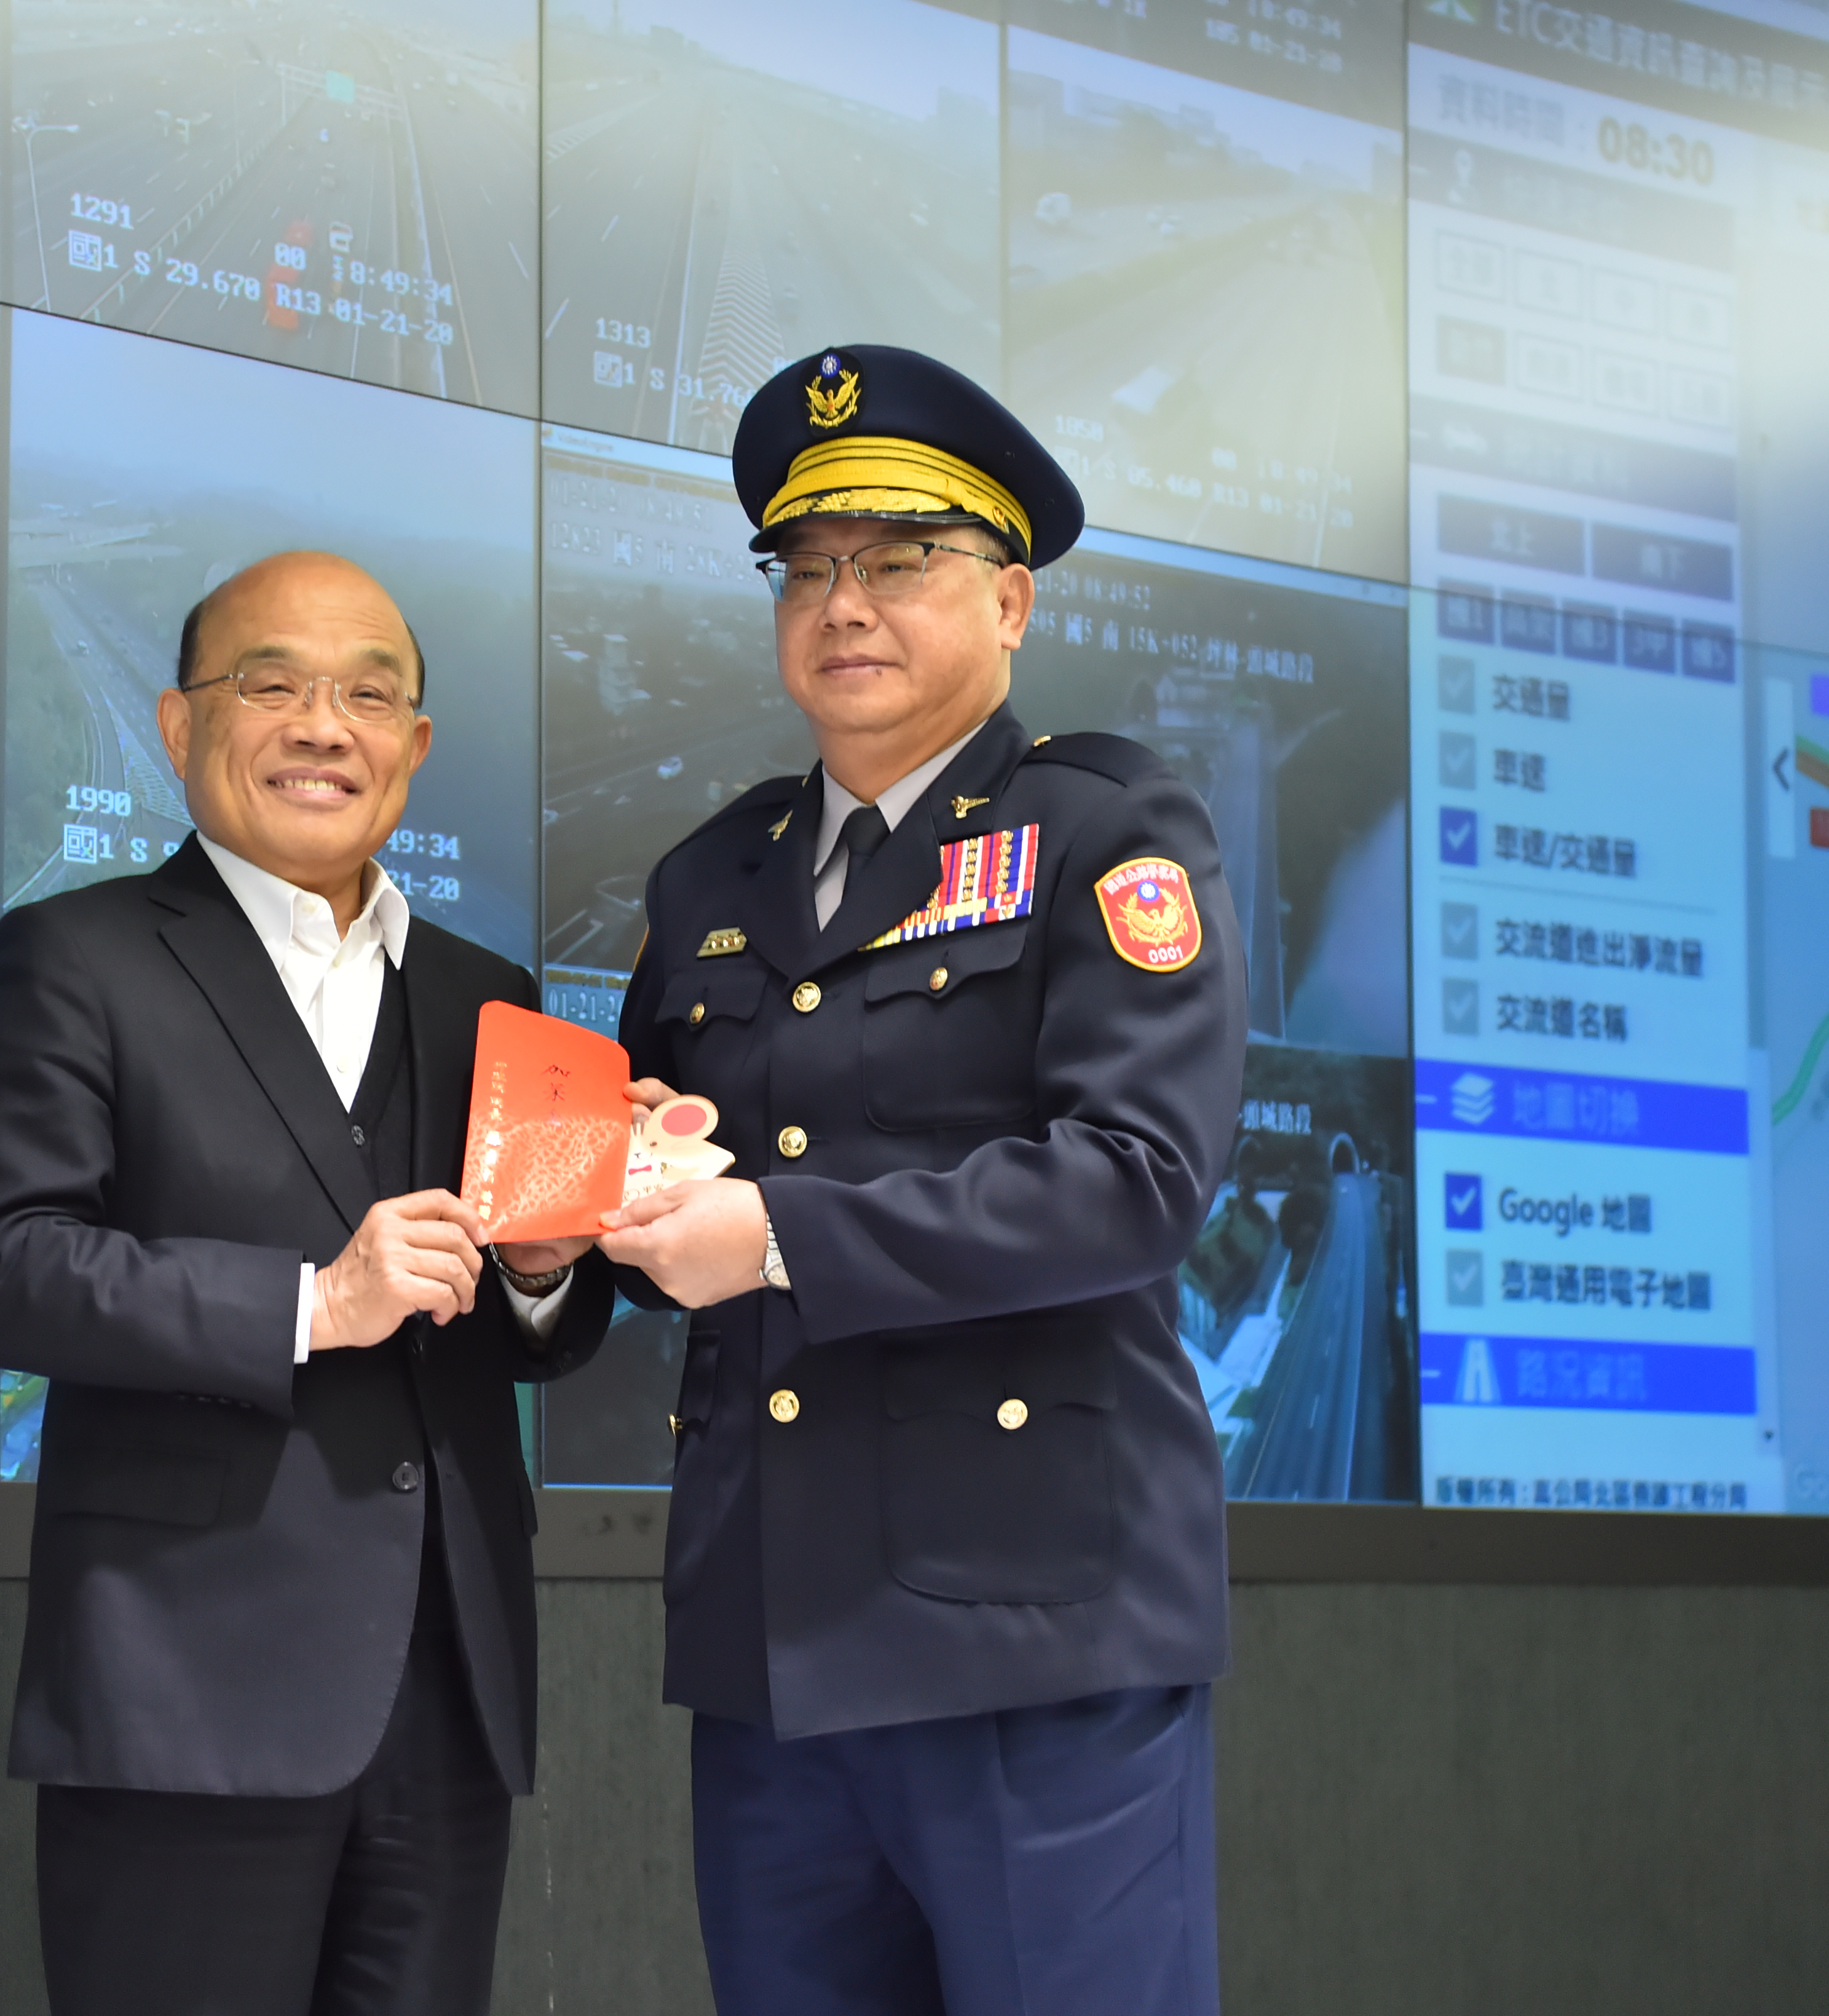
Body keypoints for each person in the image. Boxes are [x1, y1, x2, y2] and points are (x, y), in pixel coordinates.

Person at [596, 345, 1249, 2015]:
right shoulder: (711, 876)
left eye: (900, 561)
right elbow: (656, 1171)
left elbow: (1135, 1181)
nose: (844, 605)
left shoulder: (1106, 829)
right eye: (805, 568)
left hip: (1033, 1635)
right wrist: (597, 1208)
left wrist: (773, 1235)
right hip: (773, 1637)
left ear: (1010, 601)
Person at [0, 551, 616, 2016]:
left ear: (413, 746)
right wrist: (311, 1301)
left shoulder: (491, 992)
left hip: (448, 1688)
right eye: (273, 683)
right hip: (188, 1681)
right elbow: (7, 1267)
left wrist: (545, 1272)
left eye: (368, 695)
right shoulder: (73, 956)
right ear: (180, 725)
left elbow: (531, 1337)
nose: (323, 725)